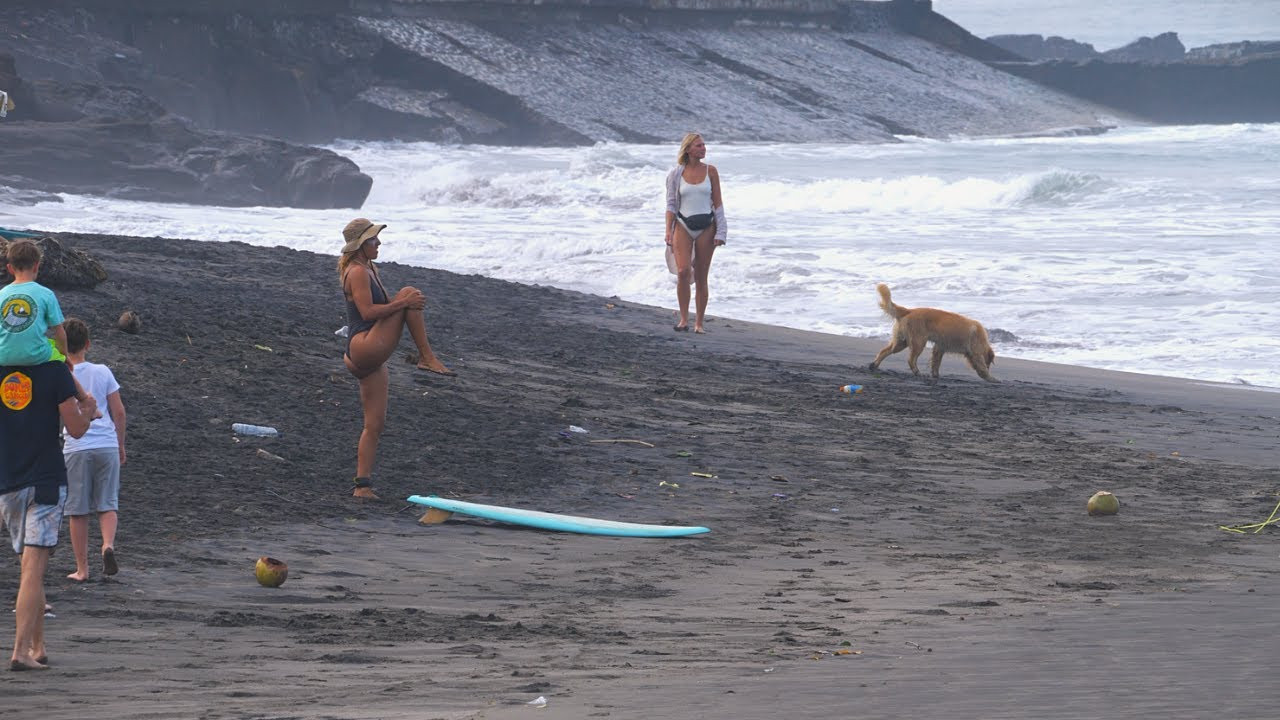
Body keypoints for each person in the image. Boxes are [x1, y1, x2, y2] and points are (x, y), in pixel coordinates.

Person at [338, 218, 454, 499]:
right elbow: (368, 313)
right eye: (373, 240)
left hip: (366, 356)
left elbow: (385, 310)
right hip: (364, 345)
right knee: (409, 292)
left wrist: (402, 305)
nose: (378, 243)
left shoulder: (369, 268)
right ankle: (426, 357)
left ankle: (362, 486)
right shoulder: (357, 272)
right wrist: (405, 303)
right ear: (361, 245)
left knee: (374, 425)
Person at [1, 353, 97, 670]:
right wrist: (89, 411)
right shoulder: (54, 370)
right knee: (33, 568)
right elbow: (76, 429)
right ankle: (20, 652)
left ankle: (37, 646)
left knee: (30, 567)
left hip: (8, 481)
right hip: (44, 480)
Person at [61, 318, 127, 582]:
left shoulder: (62, 375)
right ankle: (107, 545)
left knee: (78, 510)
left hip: (77, 446)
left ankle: (82, 569)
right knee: (107, 503)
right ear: (87, 344)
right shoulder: (103, 371)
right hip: (106, 443)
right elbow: (118, 412)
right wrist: (120, 444)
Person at [0, 239, 94, 410]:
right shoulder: (46, 294)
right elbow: (59, 332)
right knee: (58, 358)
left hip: (3, 356)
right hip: (35, 356)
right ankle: (84, 400)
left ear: (10, 268)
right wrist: (64, 357)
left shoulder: (1, 294)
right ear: (37, 266)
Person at [664, 132, 727, 334]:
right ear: (688, 149)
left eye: (704, 145)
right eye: (699, 145)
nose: (703, 148)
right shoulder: (675, 174)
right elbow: (671, 204)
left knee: (701, 275)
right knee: (683, 272)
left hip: (707, 226)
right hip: (683, 224)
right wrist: (668, 229)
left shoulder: (711, 171)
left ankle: (699, 323)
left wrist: (721, 232)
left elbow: (718, 203)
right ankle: (683, 319)